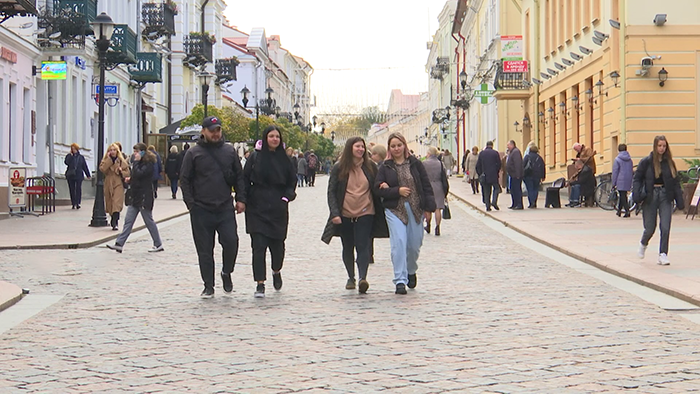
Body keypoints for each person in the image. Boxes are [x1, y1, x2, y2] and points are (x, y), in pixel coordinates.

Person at [179, 116, 246, 298]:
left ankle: (226, 272)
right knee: (204, 249)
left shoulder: (229, 151)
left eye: (218, 130)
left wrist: (241, 199)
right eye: (211, 130)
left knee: (231, 242)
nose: (215, 134)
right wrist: (191, 204)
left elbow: (239, 177)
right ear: (203, 132)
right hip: (201, 209)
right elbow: (184, 180)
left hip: (225, 207)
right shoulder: (193, 153)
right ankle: (208, 285)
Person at [322, 137, 388, 294]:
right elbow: (331, 191)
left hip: (366, 211)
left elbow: (378, 184)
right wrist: (334, 213)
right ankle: (351, 277)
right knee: (347, 246)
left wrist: (383, 186)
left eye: (362, 147)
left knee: (363, 245)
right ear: (350, 148)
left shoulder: (370, 166)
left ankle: (362, 278)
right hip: (345, 212)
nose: (360, 149)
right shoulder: (339, 168)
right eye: (357, 146)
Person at [375, 133, 436, 295]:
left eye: (399, 145)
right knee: (399, 243)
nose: (396, 149)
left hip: (416, 208)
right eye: (393, 146)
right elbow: (377, 189)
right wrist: (396, 191)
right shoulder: (385, 167)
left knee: (414, 245)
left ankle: (411, 269)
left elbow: (426, 186)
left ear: (404, 145)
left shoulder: (415, 164)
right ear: (389, 148)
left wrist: (429, 209)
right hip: (395, 209)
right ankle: (400, 280)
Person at [244, 125, 297, 298]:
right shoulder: (255, 157)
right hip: (257, 206)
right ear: (265, 138)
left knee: (277, 245)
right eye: (271, 136)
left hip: (278, 207)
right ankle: (260, 283)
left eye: (277, 136)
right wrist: (242, 200)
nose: (274, 139)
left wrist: (286, 197)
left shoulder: (285, 160)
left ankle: (276, 270)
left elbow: (292, 181)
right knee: (258, 246)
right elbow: (245, 179)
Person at [633, 135, 684, 265]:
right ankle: (643, 243)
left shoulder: (669, 163)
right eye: (659, 146)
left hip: (665, 195)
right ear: (655, 146)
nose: (662, 148)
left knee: (665, 226)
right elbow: (637, 178)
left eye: (664, 146)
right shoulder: (646, 162)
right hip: (650, 195)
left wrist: (679, 200)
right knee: (650, 227)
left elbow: (675, 182)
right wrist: (637, 195)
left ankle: (663, 254)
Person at [107, 143, 164, 254]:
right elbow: (136, 177)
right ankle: (119, 244)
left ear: (142, 152)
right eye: (134, 151)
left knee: (149, 221)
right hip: (135, 197)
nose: (134, 154)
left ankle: (158, 244)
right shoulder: (138, 163)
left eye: (136, 152)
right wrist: (130, 179)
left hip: (144, 197)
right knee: (128, 221)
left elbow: (140, 174)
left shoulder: (149, 163)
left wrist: (136, 163)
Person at [99, 143, 130, 230]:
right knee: (110, 203)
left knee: (116, 202)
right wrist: (109, 160)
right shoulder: (106, 160)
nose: (112, 152)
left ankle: (115, 221)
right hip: (108, 182)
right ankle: (112, 217)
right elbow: (102, 169)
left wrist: (121, 171)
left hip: (118, 183)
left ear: (117, 151)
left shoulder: (121, 160)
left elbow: (127, 172)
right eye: (110, 150)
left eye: (114, 150)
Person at [422, 147, 449, 236]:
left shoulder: (424, 163)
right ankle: (437, 227)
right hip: (439, 186)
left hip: (427, 186)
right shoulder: (440, 163)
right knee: (438, 208)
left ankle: (428, 225)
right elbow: (444, 175)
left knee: (428, 209)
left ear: (429, 153)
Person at [475, 141, 501, 211]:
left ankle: (488, 206)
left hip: (484, 175)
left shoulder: (482, 153)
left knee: (487, 191)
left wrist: (480, 174)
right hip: (493, 175)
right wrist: (496, 171)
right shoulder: (495, 153)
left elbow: (478, 166)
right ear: (492, 146)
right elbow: (499, 164)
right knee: (496, 188)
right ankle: (494, 201)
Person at [64, 143, 91, 209]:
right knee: (72, 189)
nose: (73, 150)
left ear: (77, 149)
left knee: (78, 188)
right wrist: (71, 156)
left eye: (74, 149)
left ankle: (78, 203)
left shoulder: (81, 157)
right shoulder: (69, 156)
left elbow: (84, 166)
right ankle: (73, 203)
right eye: (72, 149)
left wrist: (88, 175)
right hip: (70, 175)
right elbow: (66, 162)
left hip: (79, 175)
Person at [612, 143, 634, 217]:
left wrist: (613, 183)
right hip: (628, 178)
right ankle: (619, 211)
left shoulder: (617, 159)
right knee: (622, 194)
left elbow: (615, 171)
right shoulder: (629, 159)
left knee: (623, 195)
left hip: (620, 179)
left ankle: (627, 211)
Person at [522, 144, 546, 208]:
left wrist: (522, 174)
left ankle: (531, 202)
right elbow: (543, 167)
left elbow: (523, 165)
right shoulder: (539, 158)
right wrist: (543, 176)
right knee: (535, 189)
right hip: (537, 176)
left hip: (528, 175)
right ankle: (534, 202)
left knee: (530, 189)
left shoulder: (527, 156)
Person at [505, 140, 524, 210]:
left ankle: (519, 204)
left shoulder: (516, 152)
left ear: (512, 145)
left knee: (516, 190)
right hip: (513, 175)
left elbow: (517, 164)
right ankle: (514, 203)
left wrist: (518, 174)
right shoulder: (512, 152)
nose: (507, 147)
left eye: (508, 145)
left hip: (516, 175)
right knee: (513, 190)